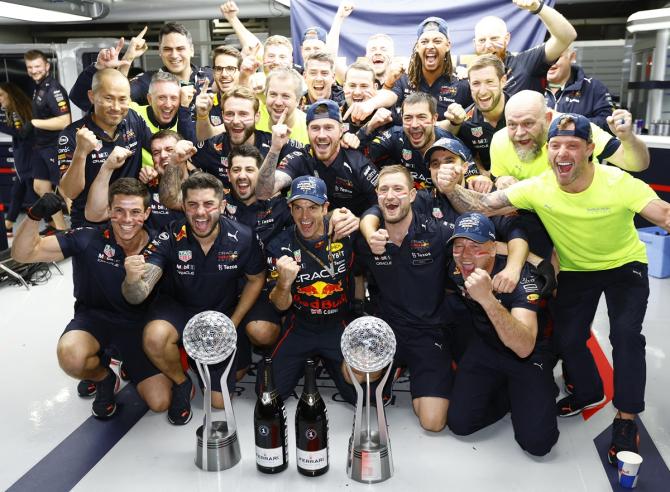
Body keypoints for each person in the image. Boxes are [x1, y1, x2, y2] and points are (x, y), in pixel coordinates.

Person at [436, 112, 670, 464]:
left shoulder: (618, 182)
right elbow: (484, 205)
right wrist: (451, 186)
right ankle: (589, 391)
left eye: (572, 146)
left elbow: (664, 214)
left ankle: (625, 419)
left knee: (624, 335)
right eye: (556, 145)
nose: (563, 153)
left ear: (590, 149)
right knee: (567, 338)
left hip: (625, 265)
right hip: (577, 268)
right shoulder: (539, 187)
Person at [11, 180, 171, 419]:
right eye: (119, 210)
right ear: (108, 211)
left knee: (160, 402)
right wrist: (34, 216)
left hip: (139, 327)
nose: (127, 219)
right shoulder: (88, 237)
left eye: (135, 212)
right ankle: (104, 377)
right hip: (94, 320)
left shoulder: (161, 244)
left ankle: (123, 359)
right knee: (71, 356)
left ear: (147, 213)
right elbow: (22, 254)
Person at [121, 172, 265, 423]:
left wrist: (234, 321)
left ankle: (199, 357)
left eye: (208, 204)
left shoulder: (243, 237)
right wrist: (132, 281)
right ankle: (181, 381)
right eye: (192, 205)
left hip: (220, 316)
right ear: (183, 206)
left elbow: (256, 279)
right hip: (178, 309)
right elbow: (137, 295)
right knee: (154, 337)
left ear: (222, 205)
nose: (200, 213)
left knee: (219, 403)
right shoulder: (169, 236)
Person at [445, 212, 558, 456]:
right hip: (486, 346)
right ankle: (509, 393)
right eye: (459, 246)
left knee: (538, 445)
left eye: (475, 247)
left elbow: (525, 346)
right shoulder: (455, 267)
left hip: (527, 355)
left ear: (494, 249)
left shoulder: (522, 280)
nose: (465, 256)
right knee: (460, 424)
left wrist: (487, 299)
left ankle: (536, 387)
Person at [354, 165, 455, 431]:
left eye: (398, 189)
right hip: (388, 329)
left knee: (432, 422)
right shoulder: (368, 240)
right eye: (384, 190)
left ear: (412, 195)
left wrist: (531, 261)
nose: (390, 196)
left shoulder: (438, 233)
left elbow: (482, 243)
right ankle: (393, 367)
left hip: (428, 333)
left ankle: (412, 370)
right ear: (377, 197)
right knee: (353, 373)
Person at [262, 175, 357, 403]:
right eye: (298, 208)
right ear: (290, 209)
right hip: (300, 326)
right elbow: (280, 305)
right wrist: (285, 282)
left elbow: (374, 231)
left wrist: (358, 219)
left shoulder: (344, 234)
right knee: (268, 396)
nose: (304, 216)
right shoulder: (279, 246)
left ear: (325, 208)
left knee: (361, 396)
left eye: (312, 207)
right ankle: (309, 362)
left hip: (338, 325)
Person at [489, 90, 649, 189]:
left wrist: (628, 138)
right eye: (512, 125)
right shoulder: (499, 140)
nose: (519, 133)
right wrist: (501, 180)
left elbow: (636, 164)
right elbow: (498, 177)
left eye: (528, 123)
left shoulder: (575, 128)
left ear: (548, 118)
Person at [58, 68, 152, 228]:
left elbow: (156, 148)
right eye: (108, 98)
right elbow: (70, 192)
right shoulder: (72, 134)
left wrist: (154, 170)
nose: (116, 107)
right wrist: (81, 153)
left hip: (129, 222)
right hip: (89, 224)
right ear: (92, 97)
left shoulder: (133, 120)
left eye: (123, 99)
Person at [347, 17, 471, 126]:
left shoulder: (461, 82)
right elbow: (389, 95)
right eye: (424, 42)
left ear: (448, 45)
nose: (430, 46)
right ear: (417, 47)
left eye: (437, 41)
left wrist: (455, 122)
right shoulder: (405, 78)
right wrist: (370, 104)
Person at [194, 85, 304, 188]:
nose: (236, 121)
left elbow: (310, 159)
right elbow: (188, 163)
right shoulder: (211, 147)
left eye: (243, 114)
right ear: (222, 116)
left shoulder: (276, 144)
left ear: (257, 117)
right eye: (229, 114)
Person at [473, 0, 576, 96]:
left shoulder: (524, 64)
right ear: (475, 43)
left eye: (494, 39)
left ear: (506, 38)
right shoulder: (469, 77)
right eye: (482, 40)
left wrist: (538, 7)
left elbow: (566, 37)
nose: (488, 45)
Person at [359, 92, 455, 190]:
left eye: (421, 117)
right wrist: (369, 127)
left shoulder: (451, 145)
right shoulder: (395, 135)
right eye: (408, 118)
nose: (414, 124)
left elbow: (468, 182)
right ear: (402, 119)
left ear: (434, 119)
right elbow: (360, 157)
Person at [24, 49, 71, 234]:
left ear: (47, 66)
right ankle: (60, 227)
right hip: (41, 146)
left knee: (66, 190)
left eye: (37, 66)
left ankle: (80, 229)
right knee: (40, 186)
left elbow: (64, 121)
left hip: (55, 146)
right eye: (30, 67)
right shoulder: (39, 87)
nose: (34, 70)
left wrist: (34, 123)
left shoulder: (54, 89)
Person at [445, 55, 508, 178]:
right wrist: (482, 174)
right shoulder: (465, 123)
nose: (482, 91)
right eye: (476, 83)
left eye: (489, 82)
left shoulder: (521, 110)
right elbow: (470, 156)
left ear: (503, 81)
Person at [545, 46, 614, 131]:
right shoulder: (532, 86)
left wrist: (569, 123)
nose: (551, 62)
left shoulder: (594, 88)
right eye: (547, 57)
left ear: (572, 57)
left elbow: (608, 123)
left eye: (556, 57)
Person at [0, 82, 36, 236]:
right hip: (25, 156)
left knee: (33, 194)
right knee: (19, 192)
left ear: (11, 94)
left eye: (1, 95)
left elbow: (22, 133)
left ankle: (52, 222)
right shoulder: (16, 110)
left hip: (28, 157)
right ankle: (8, 225)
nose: (0, 99)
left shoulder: (18, 111)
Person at [256, 67, 310, 146]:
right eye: (273, 94)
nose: (278, 102)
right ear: (265, 95)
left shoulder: (310, 129)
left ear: (298, 100)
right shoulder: (254, 120)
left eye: (285, 96)